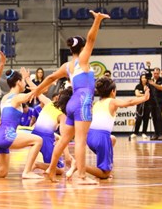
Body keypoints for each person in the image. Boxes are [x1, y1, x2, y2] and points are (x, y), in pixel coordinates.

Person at [26, 10, 110, 184]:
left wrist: (36, 91)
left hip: (72, 103)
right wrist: (97, 21)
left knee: (64, 139)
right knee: (80, 140)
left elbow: (50, 78)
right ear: (82, 48)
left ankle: (50, 170)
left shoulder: (67, 65)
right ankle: (81, 176)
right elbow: (92, 39)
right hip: (83, 101)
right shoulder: (83, 59)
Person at [84, 76, 150, 179]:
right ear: (113, 91)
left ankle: (100, 166)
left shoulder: (96, 103)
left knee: (113, 139)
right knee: (105, 175)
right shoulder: (112, 101)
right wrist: (144, 98)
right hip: (101, 138)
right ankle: (80, 166)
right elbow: (129, 102)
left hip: (90, 137)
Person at [22, 69, 76, 176]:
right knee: (59, 170)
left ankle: (39, 165)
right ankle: (36, 164)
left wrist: (27, 78)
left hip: (35, 134)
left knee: (52, 159)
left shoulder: (48, 103)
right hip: (46, 139)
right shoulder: (63, 115)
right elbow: (64, 138)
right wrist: (67, 155)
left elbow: (37, 91)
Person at [130, 74, 152, 140]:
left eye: (145, 78)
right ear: (140, 79)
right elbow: (137, 94)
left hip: (147, 105)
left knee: (146, 119)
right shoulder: (138, 86)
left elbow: (150, 95)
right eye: (142, 78)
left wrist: (144, 95)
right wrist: (145, 95)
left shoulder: (149, 86)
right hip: (139, 105)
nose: (144, 79)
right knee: (138, 119)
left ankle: (144, 133)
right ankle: (135, 133)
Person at [148, 67, 162, 140]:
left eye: (157, 73)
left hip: (159, 101)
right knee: (154, 117)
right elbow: (148, 89)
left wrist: (153, 84)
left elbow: (161, 88)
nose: (156, 75)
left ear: (159, 73)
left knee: (159, 117)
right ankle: (156, 133)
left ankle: (161, 134)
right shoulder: (150, 80)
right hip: (152, 102)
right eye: (154, 73)